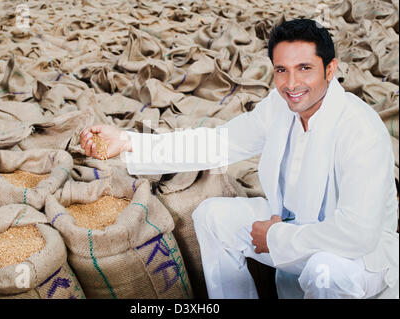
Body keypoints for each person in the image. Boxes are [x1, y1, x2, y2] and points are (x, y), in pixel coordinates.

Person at [80, 19, 399, 299]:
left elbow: (358, 234)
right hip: (289, 228)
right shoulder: (280, 105)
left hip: (357, 258)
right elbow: (219, 142)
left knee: (324, 270)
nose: (291, 84)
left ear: (330, 69)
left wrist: (277, 237)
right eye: (281, 70)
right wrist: (127, 142)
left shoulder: (360, 129)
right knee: (212, 217)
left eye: (305, 69)